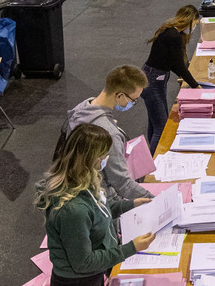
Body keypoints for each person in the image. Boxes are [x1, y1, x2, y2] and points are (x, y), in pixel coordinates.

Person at [37, 123, 156, 286]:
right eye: (103, 155)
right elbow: (83, 262)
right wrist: (130, 248)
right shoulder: (72, 209)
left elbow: (99, 212)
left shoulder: (83, 181)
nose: (106, 160)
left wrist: (128, 205)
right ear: (89, 158)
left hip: (89, 280)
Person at [65, 65, 154, 201]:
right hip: (103, 198)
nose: (133, 103)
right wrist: (155, 198)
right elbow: (122, 183)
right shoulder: (109, 133)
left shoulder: (83, 107)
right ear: (119, 95)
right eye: (133, 100)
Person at [142, 5, 201, 153]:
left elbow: (175, 63)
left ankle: (151, 156)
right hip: (153, 81)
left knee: (154, 123)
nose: (194, 27)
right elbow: (178, 66)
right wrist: (195, 86)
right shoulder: (173, 35)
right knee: (161, 127)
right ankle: (152, 164)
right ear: (190, 19)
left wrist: (186, 77)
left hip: (156, 78)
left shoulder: (173, 32)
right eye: (195, 24)